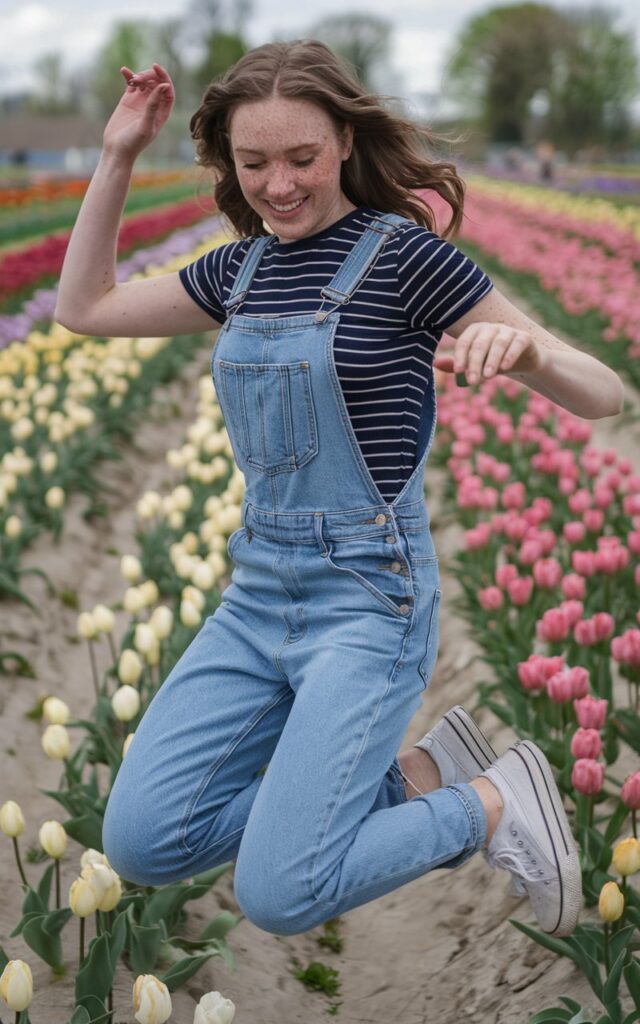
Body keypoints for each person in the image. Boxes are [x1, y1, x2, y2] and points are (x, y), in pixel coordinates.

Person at [55, 40, 623, 941]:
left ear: (346, 145)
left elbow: (606, 393)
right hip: (257, 595)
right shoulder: (237, 271)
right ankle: (416, 778)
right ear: (229, 165)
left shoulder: (405, 261)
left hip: (369, 597)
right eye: (253, 163)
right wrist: (119, 152)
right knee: (143, 842)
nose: (277, 185)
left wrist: (532, 352)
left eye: (301, 159)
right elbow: (83, 306)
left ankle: (489, 800)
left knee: (281, 894)